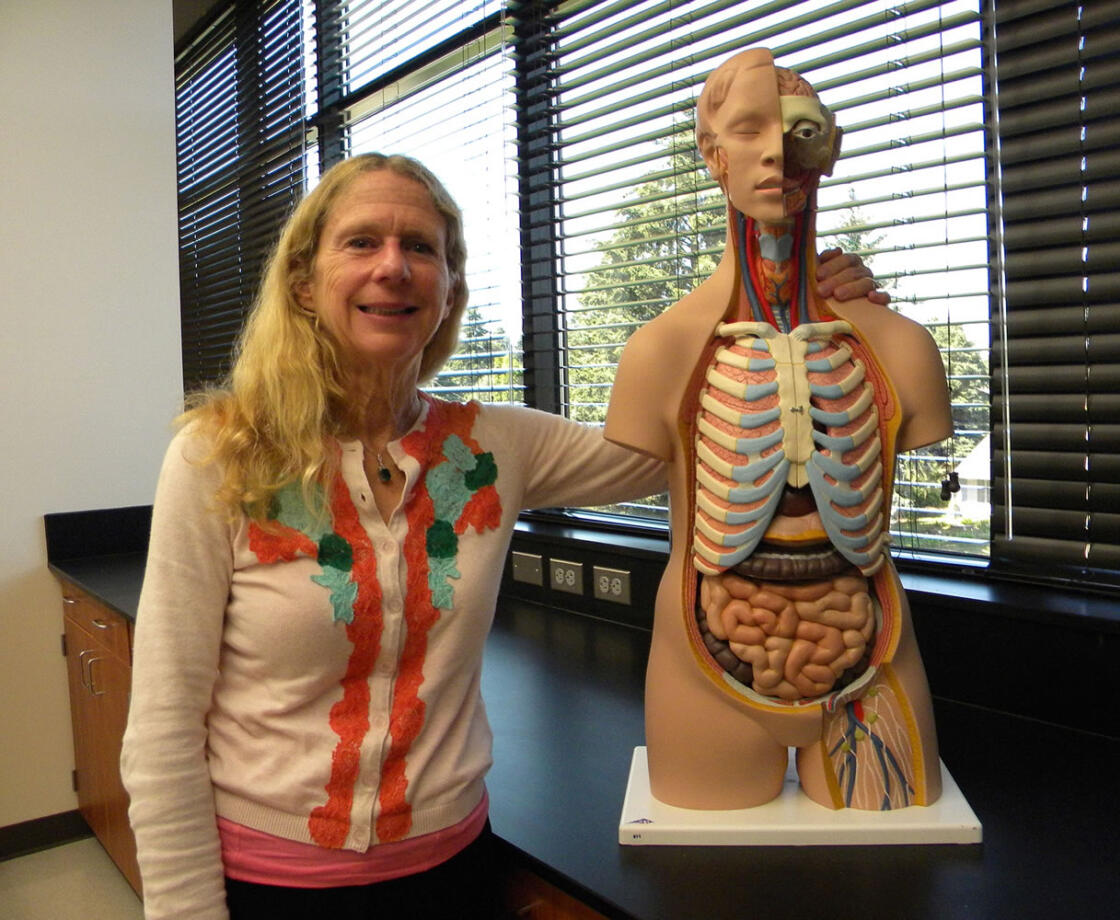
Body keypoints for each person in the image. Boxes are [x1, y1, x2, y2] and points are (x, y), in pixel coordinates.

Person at [120, 152, 882, 919]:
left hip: (451, 872)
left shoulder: (491, 447)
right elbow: (162, 728)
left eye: (422, 248)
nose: (395, 267)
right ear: (303, 283)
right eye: (361, 242)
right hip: (270, 887)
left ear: (449, 291)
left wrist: (797, 307)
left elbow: (665, 451)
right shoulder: (219, 459)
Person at [604, 49, 952, 812]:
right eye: (748, 129)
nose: (775, 154)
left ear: (829, 147)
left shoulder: (899, 347)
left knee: (884, 883)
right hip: (701, 667)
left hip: (873, 662)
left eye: (798, 131)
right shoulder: (660, 351)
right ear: (712, 154)